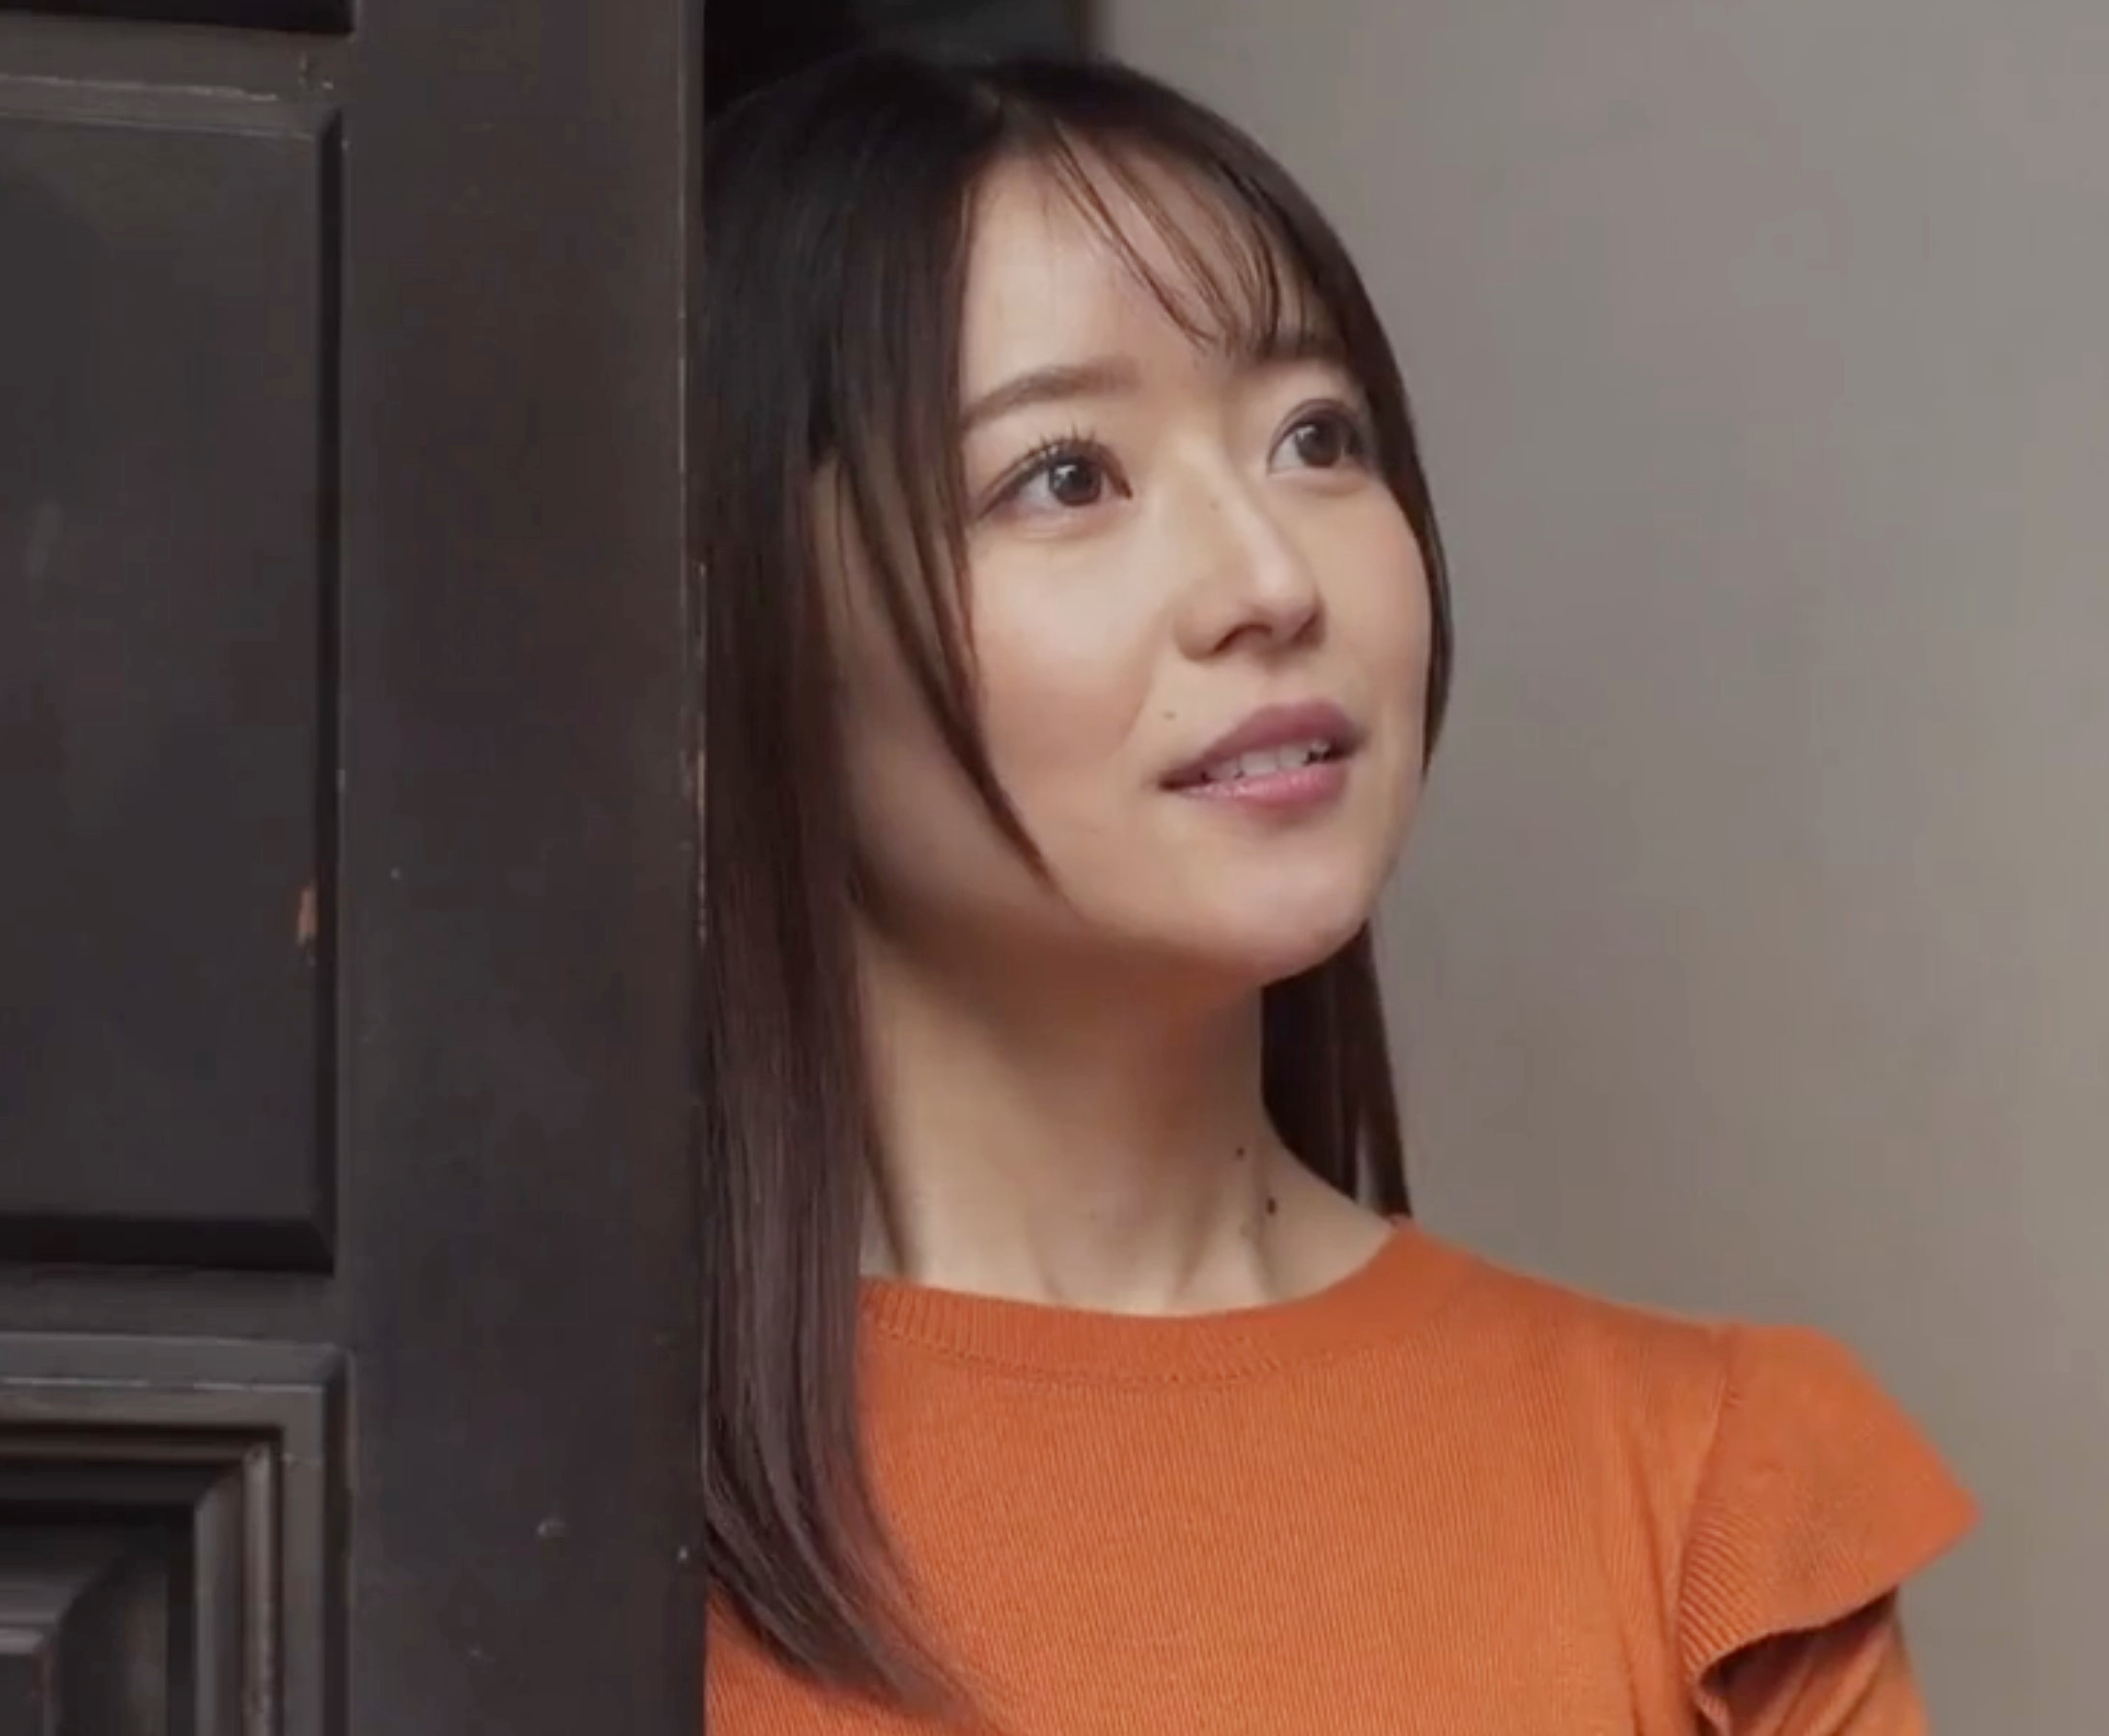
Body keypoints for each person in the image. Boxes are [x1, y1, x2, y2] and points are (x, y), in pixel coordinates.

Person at [698, 46, 1976, 1736]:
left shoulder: (1713, 1505)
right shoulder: (516, 1504)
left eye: (1316, 436)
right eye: (1066, 474)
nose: (1270, 576)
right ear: (733, 636)